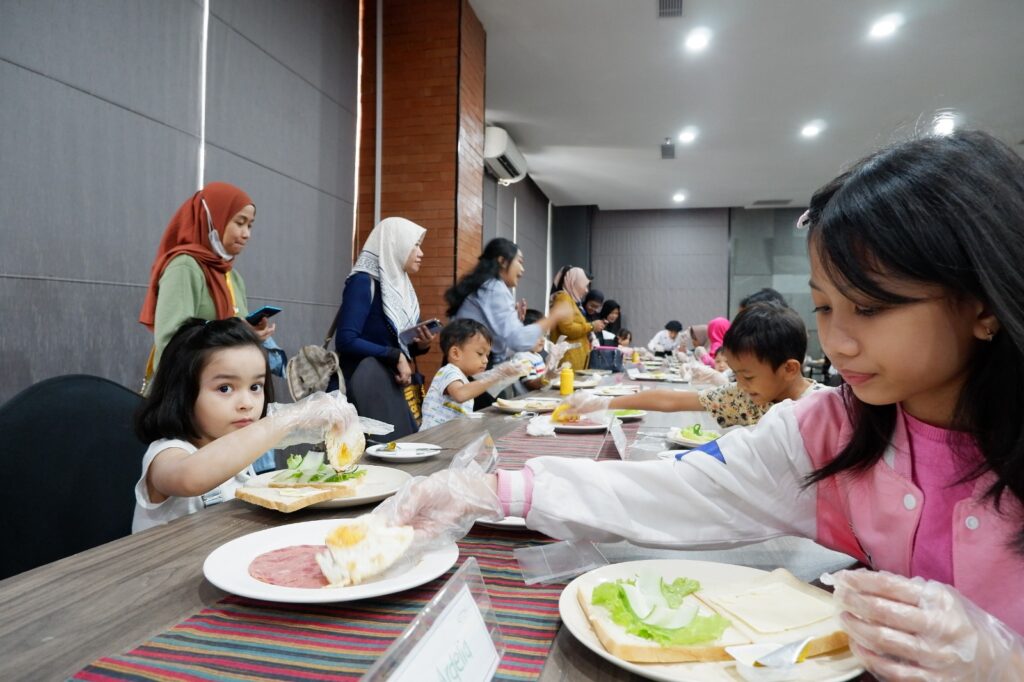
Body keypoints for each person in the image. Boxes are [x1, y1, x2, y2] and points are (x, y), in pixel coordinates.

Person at [379, 131, 1024, 678]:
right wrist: (498, 490)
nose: (839, 341)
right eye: (825, 306)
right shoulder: (832, 431)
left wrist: (1005, 662)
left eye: (872, 307)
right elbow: (680, 489)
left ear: (985, 303)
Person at [132, 318, 354, 533]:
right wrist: (287, 418)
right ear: (183, 392)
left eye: (255, 387)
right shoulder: (165, 454)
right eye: (225, 388)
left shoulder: (237, 451)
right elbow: (190, 478)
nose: (247, 403)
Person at [575, 303, 823, 426]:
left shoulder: (823, 411)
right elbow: (670, 400)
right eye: (736, 375)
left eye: (748, 377)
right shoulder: (744, 397)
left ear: (789, 369)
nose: (741, 385)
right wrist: (604, 403)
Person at [140, 182, 274, 375]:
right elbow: (172, 338)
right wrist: (231, 330)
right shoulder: (185, 267)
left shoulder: (232, 276)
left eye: (250, 225)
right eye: (239, 222)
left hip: (221, 383)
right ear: (213, 219)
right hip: (187, 384)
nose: (247, 234)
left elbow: (229, 333)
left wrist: (250, 334)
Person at [334, 217, 434, 438]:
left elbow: (391, 342)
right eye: (415, 245)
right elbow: (346, 340)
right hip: (362, 386)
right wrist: (395, 356)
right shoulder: (363, 282)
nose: (421, 253)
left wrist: (420, 345)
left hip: (389, 386)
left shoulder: (401, 287)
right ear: (395, 244)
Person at [446, 238, 569, 365]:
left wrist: (515, 321)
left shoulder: (486, 286)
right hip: (468, 367)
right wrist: (554, 316)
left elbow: (504, 340)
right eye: (519, 261)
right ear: (503, 261)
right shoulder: (494, 288)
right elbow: (518, 340)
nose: (522, 269)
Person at [420, 320, 524, 429]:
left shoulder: (463, 377)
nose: (486, 360)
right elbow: (460, 394)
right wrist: (497, 375)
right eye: (480, 354)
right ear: (455, 353)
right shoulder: (449, 371)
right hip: (433, 436)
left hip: (450, 435)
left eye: (487, 355)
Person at [549, 266, 604, 370]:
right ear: (575, 283)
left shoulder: (572, 301)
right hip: (568, 363)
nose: (586, 290)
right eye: (585, 285)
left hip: (572, 363)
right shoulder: (563, 298)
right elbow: (567, 328)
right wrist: (591, 326)